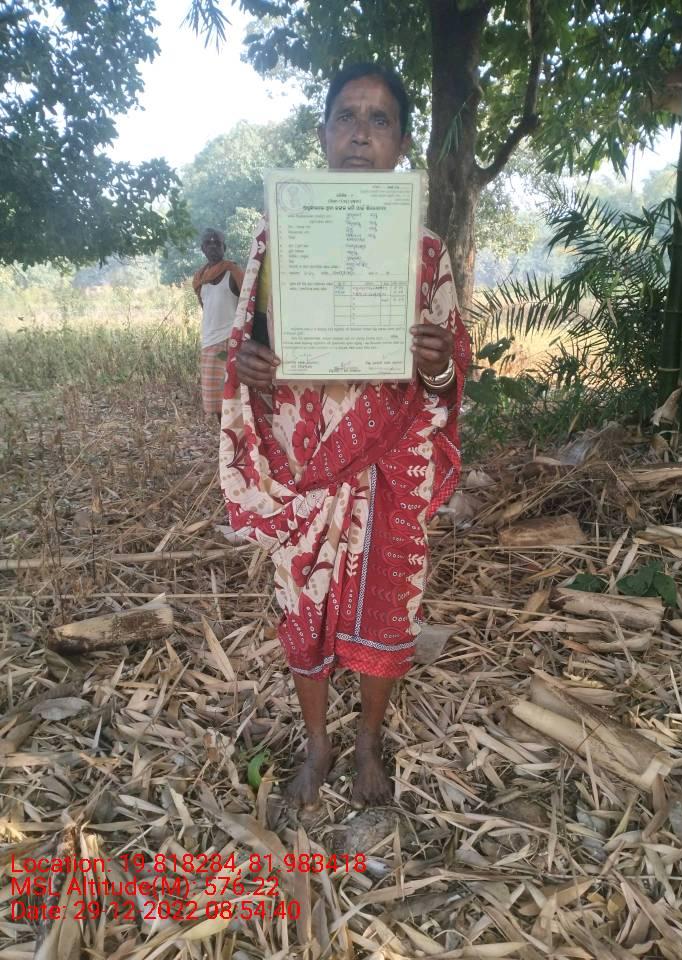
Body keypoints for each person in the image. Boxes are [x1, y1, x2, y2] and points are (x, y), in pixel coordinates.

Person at [219, 63, 471, 809]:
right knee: (302, 602)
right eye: (347, 116)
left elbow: (449, 372)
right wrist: (251, 364)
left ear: (401, 142)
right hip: (307, 464)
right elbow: (249, 346)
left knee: (389, 603)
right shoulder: (277, 238)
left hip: (390, 462)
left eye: (380, 119)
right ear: (324, 133)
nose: (361, 132)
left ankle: (366, 741)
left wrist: (434, 365)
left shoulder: (426, 252)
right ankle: (317, 743)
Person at [192, 229, 245, 418]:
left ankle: (237, 436)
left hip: (232, 342)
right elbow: (206, 307)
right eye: (208, 243)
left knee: (235, 399)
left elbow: (248, 305)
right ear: (202, 248)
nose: (213, 246)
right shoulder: (200, 279)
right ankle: (224, 435)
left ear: (225, 247)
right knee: (216, 404)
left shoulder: (234, 272)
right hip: (209, 343)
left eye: (217, 243)